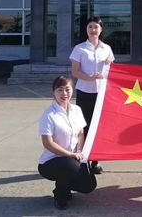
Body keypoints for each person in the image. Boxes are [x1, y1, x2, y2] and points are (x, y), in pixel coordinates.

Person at [38, 76, 97, 210]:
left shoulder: (76, 110)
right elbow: (48, 143)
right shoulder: (49, 115)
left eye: (67, 89)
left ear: (72, 90)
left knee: (89, 185)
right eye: (60, 90)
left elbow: (81, 133)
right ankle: (60, 194)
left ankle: (66, 185)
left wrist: (79, 151)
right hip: (51, 162)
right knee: (70, 165)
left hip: (73, 159)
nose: (64, 93)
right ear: (53, 92)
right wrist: (70, 155)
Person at [70, 16, 114, 175]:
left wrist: (109, 64)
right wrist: (89, 78)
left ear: (101, 30)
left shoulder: (106, 48)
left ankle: (95, 160)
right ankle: (84, 159)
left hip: (101, 93)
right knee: (84, 126)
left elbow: (112, 70)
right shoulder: (79, 49)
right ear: (86, 30)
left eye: (96, 27)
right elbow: (75, 72)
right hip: (85, 92)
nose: (93, 30)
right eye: (90, 27)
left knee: (99, 126)